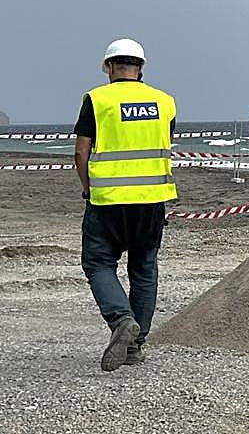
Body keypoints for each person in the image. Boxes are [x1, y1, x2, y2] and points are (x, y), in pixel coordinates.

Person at [74, 38, 177, 371]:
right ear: (141, 68)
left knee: (98, 263)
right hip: (151, 201)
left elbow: (81, 152)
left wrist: (88, 189)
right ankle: (135, 346)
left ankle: (121, 321)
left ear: (108, 67)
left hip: (107, 202)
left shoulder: (97, 100)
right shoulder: (164, 102)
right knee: (144, 267)